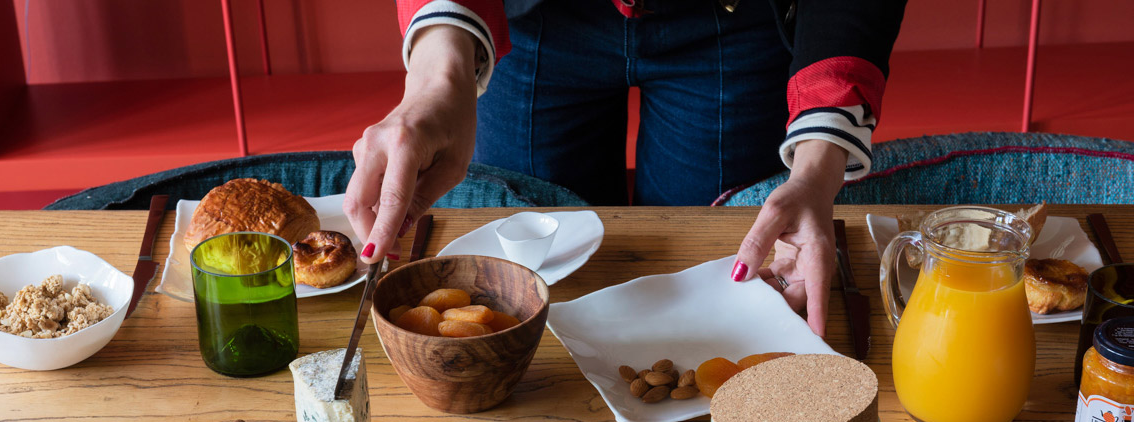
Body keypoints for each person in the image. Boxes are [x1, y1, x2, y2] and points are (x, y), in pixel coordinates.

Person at [345, 0, 906, 337]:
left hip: (737, 24)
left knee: (719, 286)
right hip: (533, 21)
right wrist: (436, 76)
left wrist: (817, 165)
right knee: (522, 288)